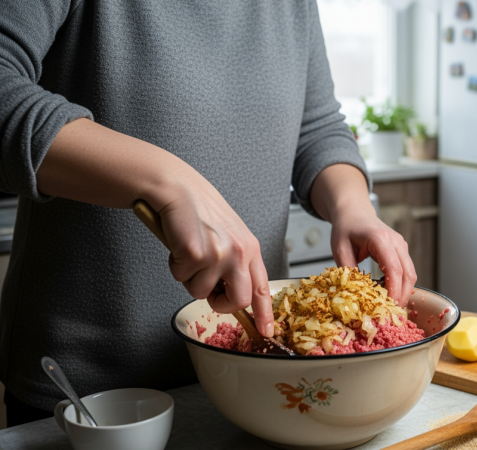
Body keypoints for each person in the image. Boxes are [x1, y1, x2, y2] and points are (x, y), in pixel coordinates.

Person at [0, 1, 416, 427]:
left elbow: (317, 126)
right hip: (93, 392)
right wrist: (167, 181)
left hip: (260, 377)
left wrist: (352, 205)